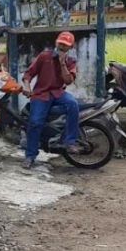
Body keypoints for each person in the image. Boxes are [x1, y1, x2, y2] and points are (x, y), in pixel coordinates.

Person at [21, 31, 80, 169]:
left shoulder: (71, 61)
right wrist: (27, 86)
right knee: (35, 122)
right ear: (56, 43)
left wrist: (62, 64)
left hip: (58, 93)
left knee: (73, 104)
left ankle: (70, 141)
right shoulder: (44, 56)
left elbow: (68, 80)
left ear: (70, 47)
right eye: (60, 43)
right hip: (41, 94)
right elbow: (28, 73)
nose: (62, 47)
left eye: (65, 45)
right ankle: (30, 156)